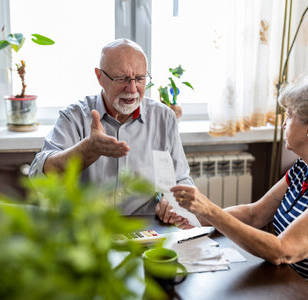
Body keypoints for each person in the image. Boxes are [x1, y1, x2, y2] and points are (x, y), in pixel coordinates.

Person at [171, 74, 308, 299]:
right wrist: (193, 219)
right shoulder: (306, 166)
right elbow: (254, 214)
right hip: (294, 284)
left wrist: (209, 210)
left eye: (289, 115)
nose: (284, 122)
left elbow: (284, 250)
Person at [29, 38, 193, 222]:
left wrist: (173, 202)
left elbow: (181, 180)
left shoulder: (163, 118)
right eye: (121, 78)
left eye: (139, 78)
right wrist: (89, 149)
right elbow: (39, 176)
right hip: (87, 231)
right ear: (100, 77)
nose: (132, 89)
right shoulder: (74, 117)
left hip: (147, 231)